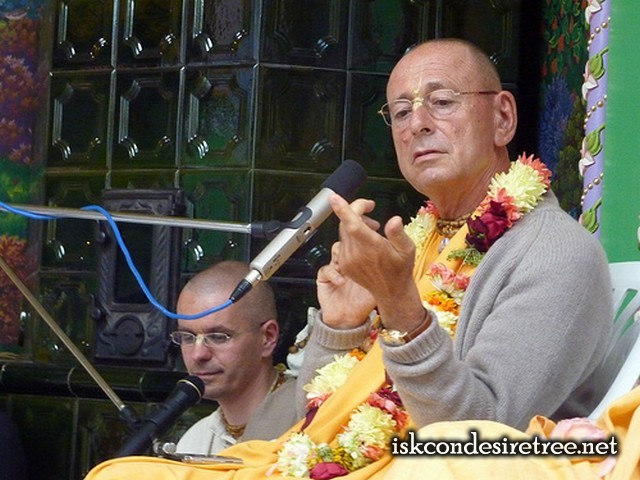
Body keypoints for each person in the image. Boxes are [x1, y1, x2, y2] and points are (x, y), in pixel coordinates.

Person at [84, 38, 618, 480]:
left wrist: (401, 309)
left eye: (443, 101)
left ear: (502, 117)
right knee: (122, 474)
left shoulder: (553, 251)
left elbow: (476, 433)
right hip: (348, 461)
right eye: (402, 111)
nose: (418, 124)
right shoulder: (412, 241)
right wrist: (340, 327)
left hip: (440, 465)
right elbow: (314, 421)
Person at [170, 260, 298, 455]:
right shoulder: (194, 442)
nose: (198, 354)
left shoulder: (308, 416)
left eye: (218, 337)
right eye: (188, 337)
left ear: (268, 337)